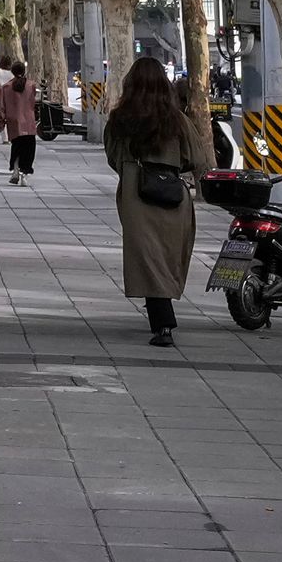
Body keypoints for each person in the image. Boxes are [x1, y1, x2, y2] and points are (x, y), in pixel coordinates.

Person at [105, 55, 207, 346]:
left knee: (147, 256)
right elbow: (196, 157)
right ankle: (162, 317)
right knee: (168, 254)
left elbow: (112, 156)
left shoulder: (119, 119)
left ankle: (162, 322)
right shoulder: (177, 119)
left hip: (136, 194)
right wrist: (169, 166)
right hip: (173, 193)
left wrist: (132, 168)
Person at [0, 64, 40, 181]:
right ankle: (24, 174)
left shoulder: (6, 87)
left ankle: (16, 170)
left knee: (16, 147)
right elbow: (34, 103)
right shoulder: (31, 85)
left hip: (14, 122)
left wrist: (2, 120)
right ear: (24, 71)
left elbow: (2, 107)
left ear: (12, 72)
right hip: (29, 122)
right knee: (28, 148)